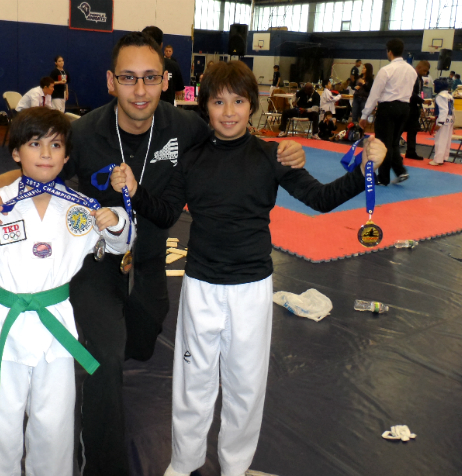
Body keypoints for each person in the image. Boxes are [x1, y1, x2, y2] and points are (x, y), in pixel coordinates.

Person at [0, 32, 306, 476]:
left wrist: (284, 149)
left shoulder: (186, 128)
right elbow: (36, 167)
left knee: (142, 345)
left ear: (166, 80)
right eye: (129, 78)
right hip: (98, 265)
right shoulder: (84, 133)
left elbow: (235, 135)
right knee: (104, 359)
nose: (141, 90)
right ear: (111, 81)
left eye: (150, 78)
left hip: (150, 260)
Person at [109, 60, 386, 476]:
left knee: (245, 385)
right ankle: (183, 464)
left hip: (251, 288)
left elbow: (321, 199)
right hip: (201, 284)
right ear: (205, 107)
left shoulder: (271, 157)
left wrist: (368, 168)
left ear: (252, 105)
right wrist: (135, 190)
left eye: (238, 101)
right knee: (192, 384)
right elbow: (165, 213)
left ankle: (235, 467)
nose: (229, 111)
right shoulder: (193, 158)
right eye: (219, 102)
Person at [0, 108, 132, 476]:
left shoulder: (80, 208)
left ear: (67, 155)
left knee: (54, 426)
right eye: (35, 143)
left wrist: (116, 221)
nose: (45, 153)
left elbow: (121, 245)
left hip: (54, 326)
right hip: (3, 325)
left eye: (55, 145)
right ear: (16, 153)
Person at [359, 38, 417, 185]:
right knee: (394, 143)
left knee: (384, 144)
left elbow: (374, 94)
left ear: (389, 52)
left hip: (388, 108)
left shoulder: (386, 70)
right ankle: (400, 171)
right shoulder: (412, 71)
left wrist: (365, 114)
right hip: (404, 108)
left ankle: (383, 178)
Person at [143, 26, 185, 105]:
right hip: (167, 112)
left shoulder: (135, 66)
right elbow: (179, 93)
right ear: (162, 45)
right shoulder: (174, 66)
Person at [403, 60, 430, 160]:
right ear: (418, 67)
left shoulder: (420, 79)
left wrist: (421, 103)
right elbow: (409, 93)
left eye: (426, 71)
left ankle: (411, 151)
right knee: (399, 130)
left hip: (414, 107)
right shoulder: (411, 77)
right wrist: (422, 101)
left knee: (413, 130)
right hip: (407, 106)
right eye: (424, 70)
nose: (425, 73)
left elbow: (418, 93)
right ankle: (393, 153)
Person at [430, 78, 455, 166]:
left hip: (444, 120)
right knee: (447, 140)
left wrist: (440, 123)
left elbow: (444, 110)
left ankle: (438, 160)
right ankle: (444, 157)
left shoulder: (440, 96)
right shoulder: (449, 95)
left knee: (440, 140)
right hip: (450, 119)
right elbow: (452, 109)